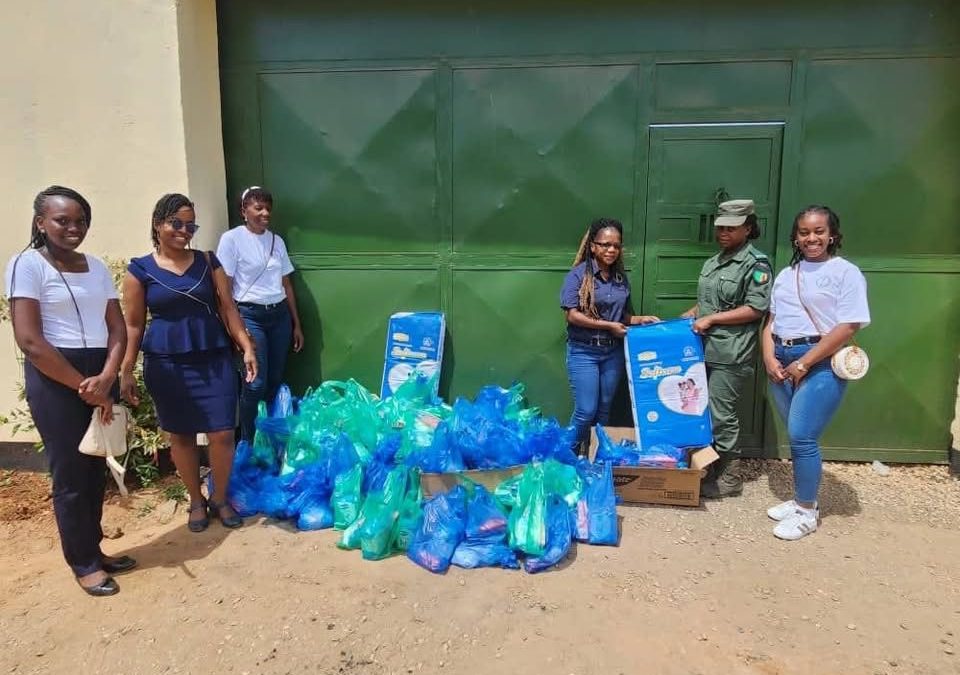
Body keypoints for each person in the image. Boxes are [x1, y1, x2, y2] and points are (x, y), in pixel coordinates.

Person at [5, 186, 132, 597]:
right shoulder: (26, 265)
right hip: (55, 377)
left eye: (80, 221)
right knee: (71, 474)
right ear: (41, 222)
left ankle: (94, 549)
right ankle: (83, 563)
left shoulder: (94, 267)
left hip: (100, 372)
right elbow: (30, 340)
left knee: (96, 464)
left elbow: (116, 327)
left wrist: (108, 375)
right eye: (62, 220)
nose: (73, 228)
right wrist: (83, 385)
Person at [120, 194, 257, 533]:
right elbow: (134, 325)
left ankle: (220, 498)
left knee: (223, 432)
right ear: (158, 224)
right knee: (180, 435)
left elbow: (229, 309)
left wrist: (247, 347)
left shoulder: (209, 262)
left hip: (213, 357)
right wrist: (125, 370)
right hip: (167, 364)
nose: (184, 231)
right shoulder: (140, 271)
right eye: (176, 223)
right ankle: (195, 501)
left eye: (190, 225)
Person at [761, 205, 869, 540]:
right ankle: (799, 501)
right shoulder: (786, 274)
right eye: (804, 232)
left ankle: (806, 511)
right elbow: (771, 322)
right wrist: (768, 357)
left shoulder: (845, 272)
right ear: (795, 237)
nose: (812, 238)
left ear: (832, 235)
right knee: (796, 437)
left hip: (818, 362)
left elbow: (849, 324)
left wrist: (805, 362)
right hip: (781, 359)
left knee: (803, 436)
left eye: (819, 231)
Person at [682, 199, 772, 498]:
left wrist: (712, 318)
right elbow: (709, 302)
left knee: (722, 414)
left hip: (731, 353)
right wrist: (692, 314)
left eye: (731, 228)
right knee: (699, 410)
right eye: (720, 227)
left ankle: (730, 476)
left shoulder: (756, 264)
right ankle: (708, 465)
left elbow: (756, 308)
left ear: (748, 228)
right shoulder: (714, 261)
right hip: (701, 350)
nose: (723, 232)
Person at [560, 217, 659, 453]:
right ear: (593, 246)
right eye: (605, 244)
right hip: (584, 351)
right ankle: (568, 456)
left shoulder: (619, 278)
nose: (611, 249)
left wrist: (638, 319)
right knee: (585, 410)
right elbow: (572, 316)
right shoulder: (578, 276)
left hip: (612, 352)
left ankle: (595, 455)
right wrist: (608, 326)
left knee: (604, 409)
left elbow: (620, 316)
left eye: (616, 245)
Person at [215, 186, 303, 442]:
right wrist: (234, 328)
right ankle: (247, 441)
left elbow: (286, 284)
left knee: (274, 381)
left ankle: (269, 441)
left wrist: (296, 323)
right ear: (244, 211)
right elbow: (225, 289)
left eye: (268, 209)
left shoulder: (277, 241)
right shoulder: (232, 240)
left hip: (279, 317)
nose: (265, 213)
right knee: (255, 383)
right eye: (258, 208)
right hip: (250, 316)